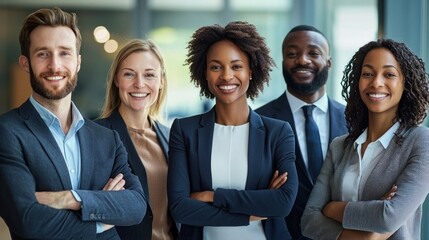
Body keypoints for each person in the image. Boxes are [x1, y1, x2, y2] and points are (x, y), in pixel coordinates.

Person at [0, 7, 146, 239]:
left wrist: (71, 198)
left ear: (78, 62)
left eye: (64, 53)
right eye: (43, 54)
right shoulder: (7, 132)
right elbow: (26, 219)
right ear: (25, 63)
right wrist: (102, 219)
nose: (55, 66)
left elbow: (137, 206)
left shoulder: (106, 138)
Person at [167, 21, 298, 240]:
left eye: (236, 66)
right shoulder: (184, 130)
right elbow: (180, 208)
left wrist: (212, 196)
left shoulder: (278, 132)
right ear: (205, 73)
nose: (226, 76)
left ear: (251, 72)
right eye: (216, 67)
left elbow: (283, 203)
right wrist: (251, 213)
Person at [301, 38, 429, 239]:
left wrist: (332, 208)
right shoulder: (340, 147)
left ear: (406, 83)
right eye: (368, 74)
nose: (376, 82)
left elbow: (388, 218)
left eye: (389, 74)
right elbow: (308, 221)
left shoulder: (421, 141)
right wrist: (365, 235)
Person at [256, 24, 347, 239]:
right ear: (282, 63)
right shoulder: (259, 121)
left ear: (329, 62)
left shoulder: (355, 120)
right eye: (292, 54)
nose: (302, 60)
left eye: (313, 53)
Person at [96, 39, 178, 240]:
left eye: (149, 75)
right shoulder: (94, 135)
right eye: (129, 74)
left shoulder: (172, 137)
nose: (139, 84)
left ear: (161, 81)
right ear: (116, 79)